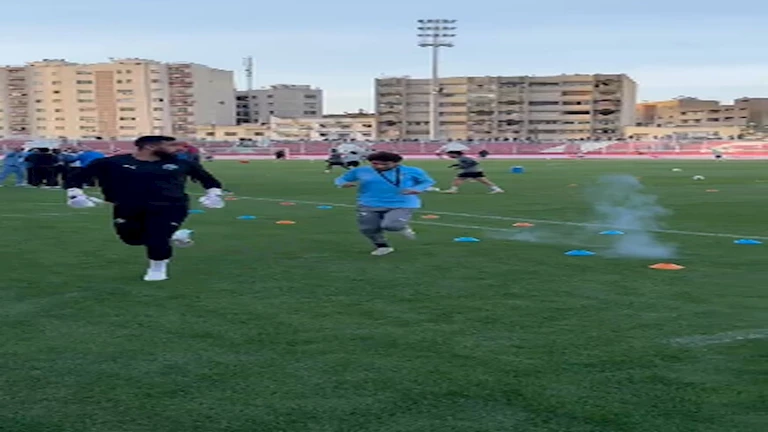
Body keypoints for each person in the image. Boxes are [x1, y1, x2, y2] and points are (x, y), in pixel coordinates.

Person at [64, 135, 226, 282]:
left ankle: (157, 269)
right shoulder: (113, 162)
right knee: (131, 239)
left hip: (171, 206)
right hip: (127, 206)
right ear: (150, 146)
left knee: (157, 237)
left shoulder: (182, 163)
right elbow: (78, 177)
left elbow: (209, 181)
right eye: (171, 145)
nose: (179, 149)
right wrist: (75, 195)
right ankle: (173, 235)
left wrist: (214, 195)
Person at [335, 151, 436, 256]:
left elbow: (427, 181)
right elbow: (341, 179)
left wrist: (417, 189)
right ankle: (382, 246)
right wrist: (343, 183)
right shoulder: (361, 171)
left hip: (402, 203)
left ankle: (401, 227)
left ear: (396, 163)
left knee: (391, 225)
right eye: (375, 163)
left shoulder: (412, 171)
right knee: (368, 228)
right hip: (369, 203)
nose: (379, 166)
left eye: (385, 164)